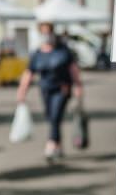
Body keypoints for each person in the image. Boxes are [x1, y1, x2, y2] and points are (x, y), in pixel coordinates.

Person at [17, 22, 83, 162]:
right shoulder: (38, 53)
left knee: (55, 116)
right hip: (46, 90)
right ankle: (58, 145)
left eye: (49, 32)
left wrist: (78, 86)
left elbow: (73, 69)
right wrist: (22, 91)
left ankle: (51, 145)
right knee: (51, 117)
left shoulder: (63, 51)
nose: (46, 35)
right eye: (44, 32)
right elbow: (29, 73)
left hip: (62, 89)